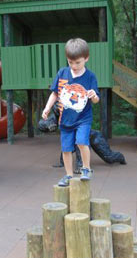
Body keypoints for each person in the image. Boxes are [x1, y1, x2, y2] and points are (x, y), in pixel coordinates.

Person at [42, 38, 100, 187]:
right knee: (66, 149)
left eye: (78, 62)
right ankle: (68, 175)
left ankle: (86, 169)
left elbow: (96, 99)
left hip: (83, 119)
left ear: (86, 58)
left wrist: (94, 96)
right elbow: (55, 93)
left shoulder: (90, 76)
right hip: (65, 120)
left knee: (81, 141)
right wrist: (47, 108)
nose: (74, 66)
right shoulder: (62, 73)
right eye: (70, 62)